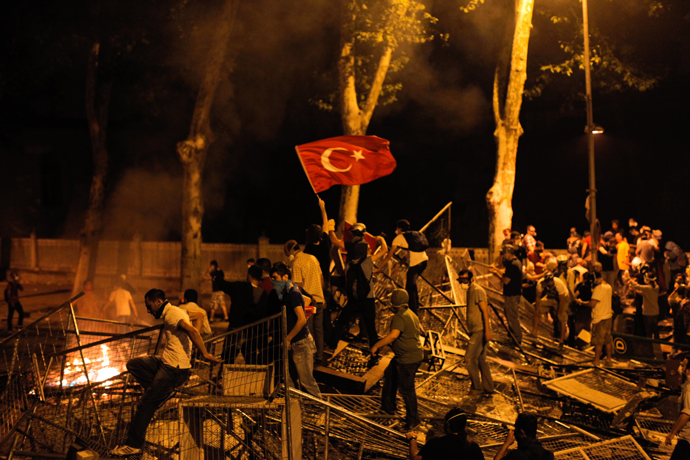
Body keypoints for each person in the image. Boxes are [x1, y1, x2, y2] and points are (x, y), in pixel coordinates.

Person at [110, 289, 221, 456]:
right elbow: (198, 316)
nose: (148, 310)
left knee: (145, 405)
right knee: (134, 364)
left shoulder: (171, 314)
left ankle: (133, 445)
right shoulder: (176, 310)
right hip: (165, 363)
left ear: (158, 302)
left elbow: (192, 330)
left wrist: (203, 352)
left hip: (173, 370)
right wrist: (190, 348)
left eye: (149, 306)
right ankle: (158, 391)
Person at [372, 289, 423, 431]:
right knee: (390, 374)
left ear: (394, 303)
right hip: (406, 356)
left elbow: (394, 335)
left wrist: (377, 346)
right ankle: (388, 407)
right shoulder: (411, 314)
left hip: (407, 359)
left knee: (407, 390)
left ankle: (413, 421)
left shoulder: (400, 316)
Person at [268, 262, 322, 398]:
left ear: (285, 277)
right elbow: (308, 299)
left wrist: (288, 338)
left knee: (307, 382)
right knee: (291, 382)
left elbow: (302, 319)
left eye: (275, 278)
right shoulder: (288, 292)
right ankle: (297, 413)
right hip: (293, 344)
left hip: (300, 343)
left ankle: (322, 411)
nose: (273, 282)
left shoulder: (293, 293)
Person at [285, 239, 325, 363]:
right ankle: (319, 356)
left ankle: (311, 358)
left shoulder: (296, 262)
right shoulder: (313, 258)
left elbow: (298, 286)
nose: (286, 254)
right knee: (319, 330)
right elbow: (321, 278)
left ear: (291, 250)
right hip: (319, 298)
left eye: (286, 251)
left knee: (309, 331)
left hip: (308, 302)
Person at [377, 219, 429, 314]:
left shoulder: (399, 238)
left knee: (409, 287)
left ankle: (413, 312)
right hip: (424, 261)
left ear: (399, 228)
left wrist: (379, 268)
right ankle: (416, 304)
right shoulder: (412, 237)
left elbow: (389, 255)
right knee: (412, 284)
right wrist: (400, 263)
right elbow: (409, 254)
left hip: (415, 264)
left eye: (397, 228)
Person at [458, 269, 494, 395]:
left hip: (480, 330)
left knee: (469, 359)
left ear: (471, 279)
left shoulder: (478, 291)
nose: (462, 282)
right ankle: (488, 388)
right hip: (475, 330)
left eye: (465, 280)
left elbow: (485, 311)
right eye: (461, 280)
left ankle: (477, 387)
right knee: (481, 359)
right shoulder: (470, 291)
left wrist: (487, 331)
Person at [406, 408, 483, 460]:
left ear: (448, 425)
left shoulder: (436, 443)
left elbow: (415, 458)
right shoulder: (473, 447)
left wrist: (412, 439)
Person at [576, 271, 613, 366]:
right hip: (608, 317)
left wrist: (581, 302)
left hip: (600, 318)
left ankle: (596, 361)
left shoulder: (599, 288)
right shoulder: (608, 286)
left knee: (598, 342)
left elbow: (592, 304)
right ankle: (609, 359)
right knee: (608, 340)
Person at [491, 245, 523, 344]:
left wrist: (496, 274)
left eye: (504, 253)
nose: (503, 256)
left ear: (509, 253)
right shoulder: (515, 262)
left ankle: (517, 338)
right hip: (513, 293)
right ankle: (512, 335)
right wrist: (496, 269)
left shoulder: (513, 265)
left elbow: (506, 281)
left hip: (512, 294)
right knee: (509, 315)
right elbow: (505, 272)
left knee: (512, 316)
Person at [665, 357, 690, 460]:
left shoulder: (689, 389)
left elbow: (686, 414)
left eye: (683, 365)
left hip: (687, 440)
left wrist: (672, 433)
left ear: (688, 370)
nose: (680, 368)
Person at [629, 270, 660, 339]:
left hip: (648, 312)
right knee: (655, 330)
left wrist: (629, 279)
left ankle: (649, 347)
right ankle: (657, 346)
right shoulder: (656, 287)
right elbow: (645, 294)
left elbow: (637, 286)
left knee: (648, 331)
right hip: (656, 311)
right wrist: (636, 291)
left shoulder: (647, 288)